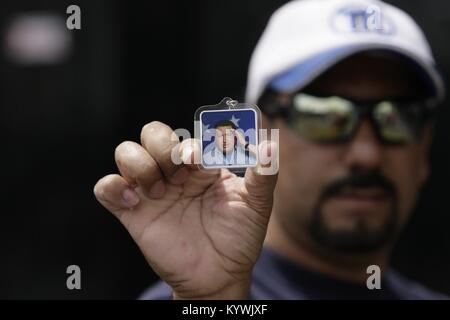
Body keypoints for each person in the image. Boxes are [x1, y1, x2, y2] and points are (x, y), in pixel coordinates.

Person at [94, 0, 448, 299]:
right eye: (323, 115)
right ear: (258, 135)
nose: (366, 154)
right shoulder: (195, 292)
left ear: (424, 149)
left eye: (398, 117)